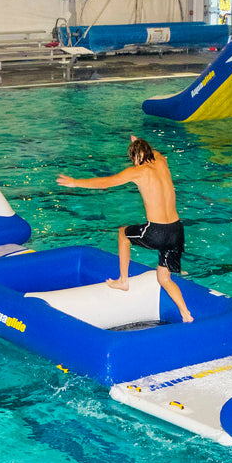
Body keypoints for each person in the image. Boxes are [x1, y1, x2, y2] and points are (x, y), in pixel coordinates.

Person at [57, 134, 194, 322]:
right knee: (164, 278)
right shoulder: (161, 160)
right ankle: (186, 314)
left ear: (137, 157)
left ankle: (123, 280)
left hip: (157, 231)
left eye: (133, 158)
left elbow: (106, 182)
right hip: (177, 230)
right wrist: (138, 143)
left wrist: (75, 182)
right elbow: (152, 152)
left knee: (123, 233)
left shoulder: (138, 172)